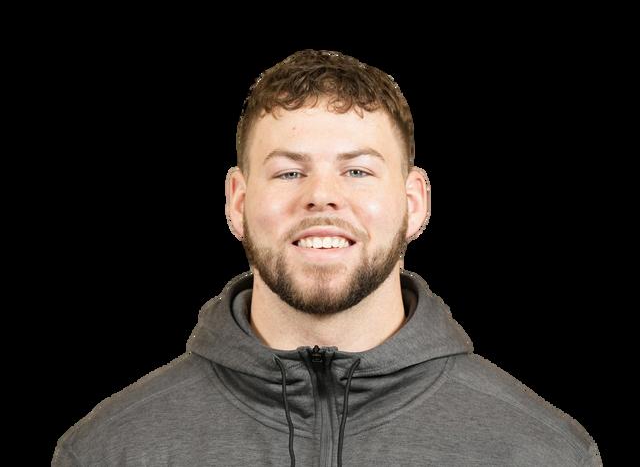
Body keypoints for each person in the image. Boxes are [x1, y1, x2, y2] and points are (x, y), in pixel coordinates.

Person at [52, 49, 601, 466]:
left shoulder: (544, 452)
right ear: (237, 202)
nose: (321, 196)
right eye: (289, 171)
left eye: (357, 170)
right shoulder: (107, 450)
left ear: (414, 203)